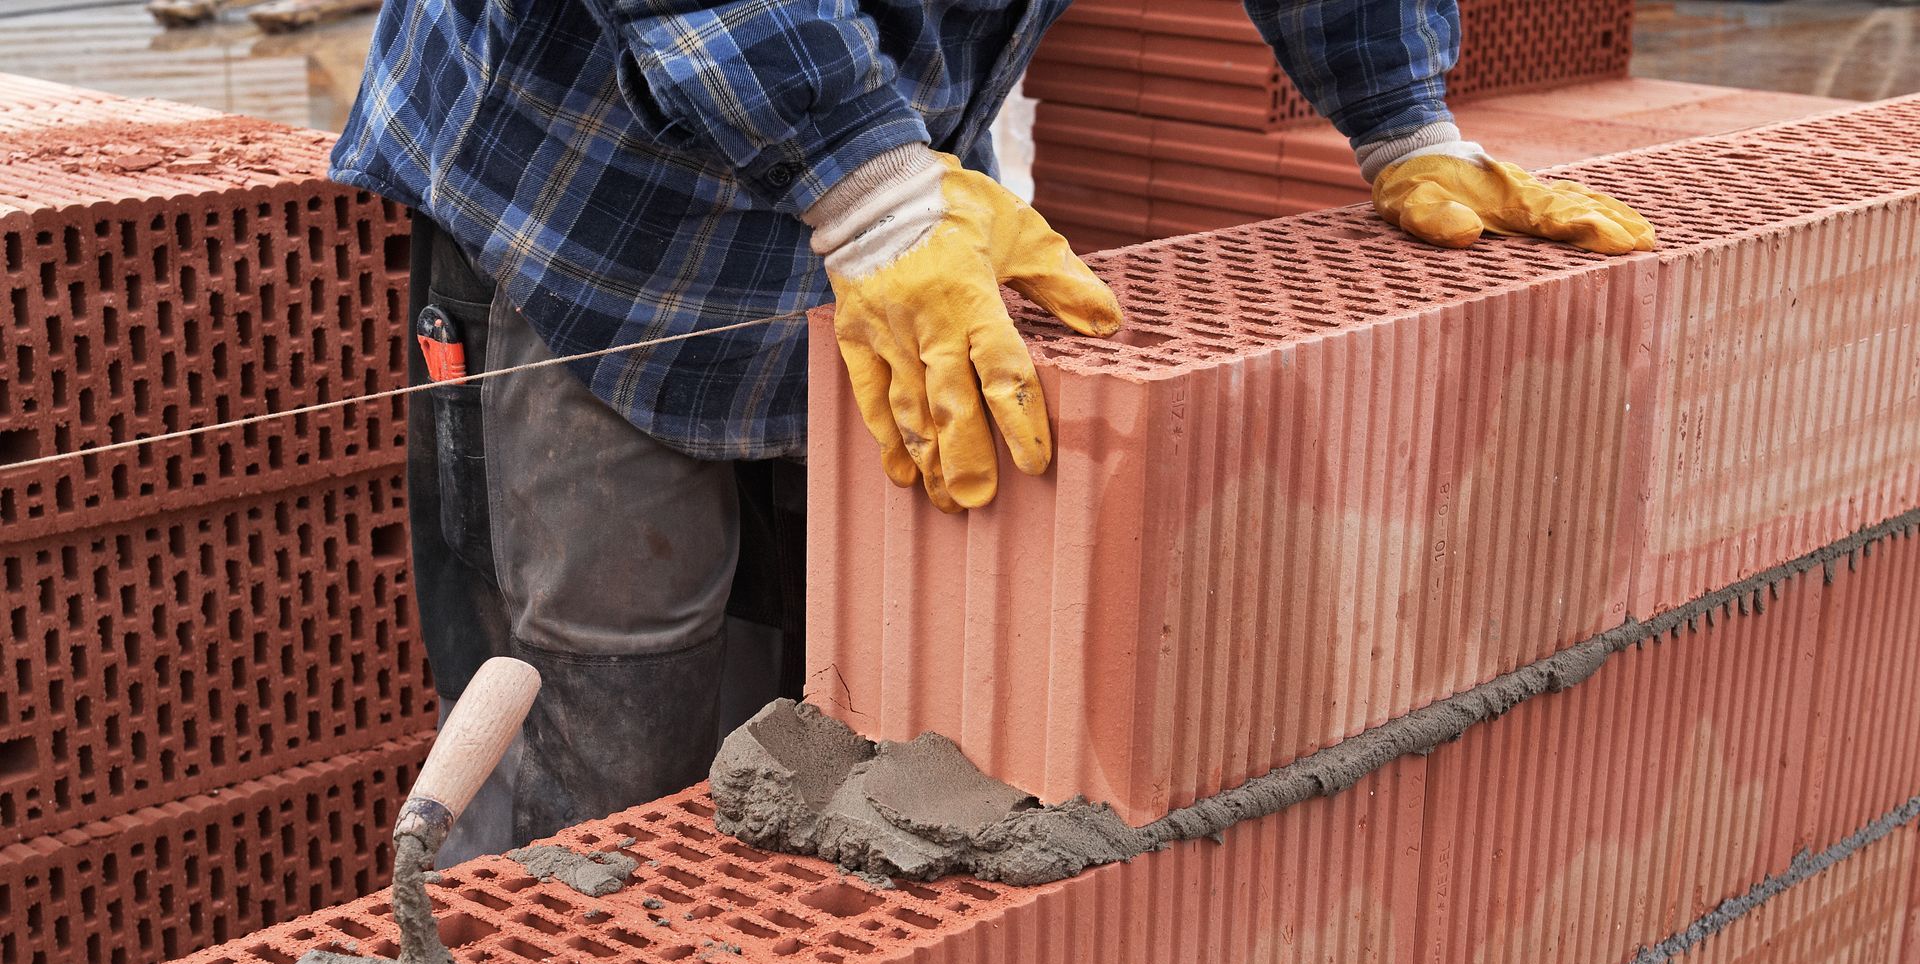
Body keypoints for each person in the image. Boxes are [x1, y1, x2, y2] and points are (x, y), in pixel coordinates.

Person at [330, 0, 1652, 857]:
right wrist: (864, 185)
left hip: (893, 163)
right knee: (604, 733)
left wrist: (1400, 111)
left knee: (820, 715)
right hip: (586, 203)